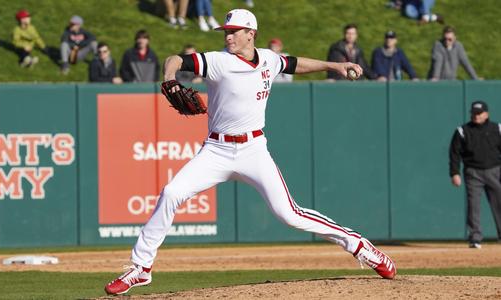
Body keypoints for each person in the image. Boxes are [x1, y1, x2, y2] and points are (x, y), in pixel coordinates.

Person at [104, 8, 396, 295]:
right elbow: (175, 59)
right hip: (216, 150)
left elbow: (294, 64)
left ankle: (359, 246)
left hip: (253, 149)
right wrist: (169, 78)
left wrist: (335, 66)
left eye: (234, 32)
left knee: (289, 214)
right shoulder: (217, 61)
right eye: (227, 32)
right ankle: (141, 268)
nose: (228, 37)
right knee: (171, 193)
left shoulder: (268, 59)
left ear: (250, 34)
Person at [449, 101, 501, 249]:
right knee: (473, 206)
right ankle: (475, 238)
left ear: (486, 114)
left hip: (495, 170)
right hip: (473, 172)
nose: (476, 116)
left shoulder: (497, 128)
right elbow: (454, 153)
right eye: (473, 113)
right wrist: (454, 173)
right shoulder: (463, 130)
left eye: (478, 113)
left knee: (499, 202)